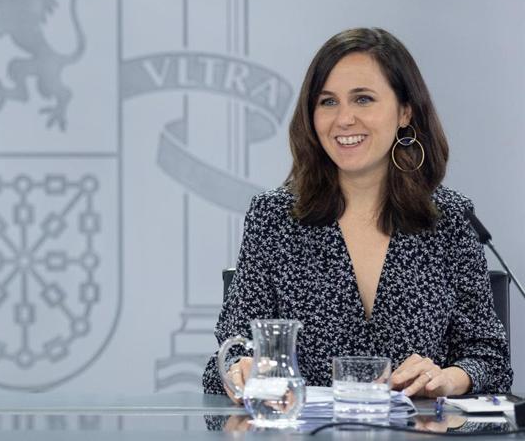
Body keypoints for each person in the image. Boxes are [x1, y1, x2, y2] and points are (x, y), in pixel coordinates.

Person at [203, 28, 511, 399]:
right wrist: (239, 369)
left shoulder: (449, 218)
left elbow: (489, 359)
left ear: (405, 111)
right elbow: (228, 356)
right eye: (327, 102)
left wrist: (450, 377)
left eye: (363, 99)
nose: (344, 119)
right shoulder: (274, 217)